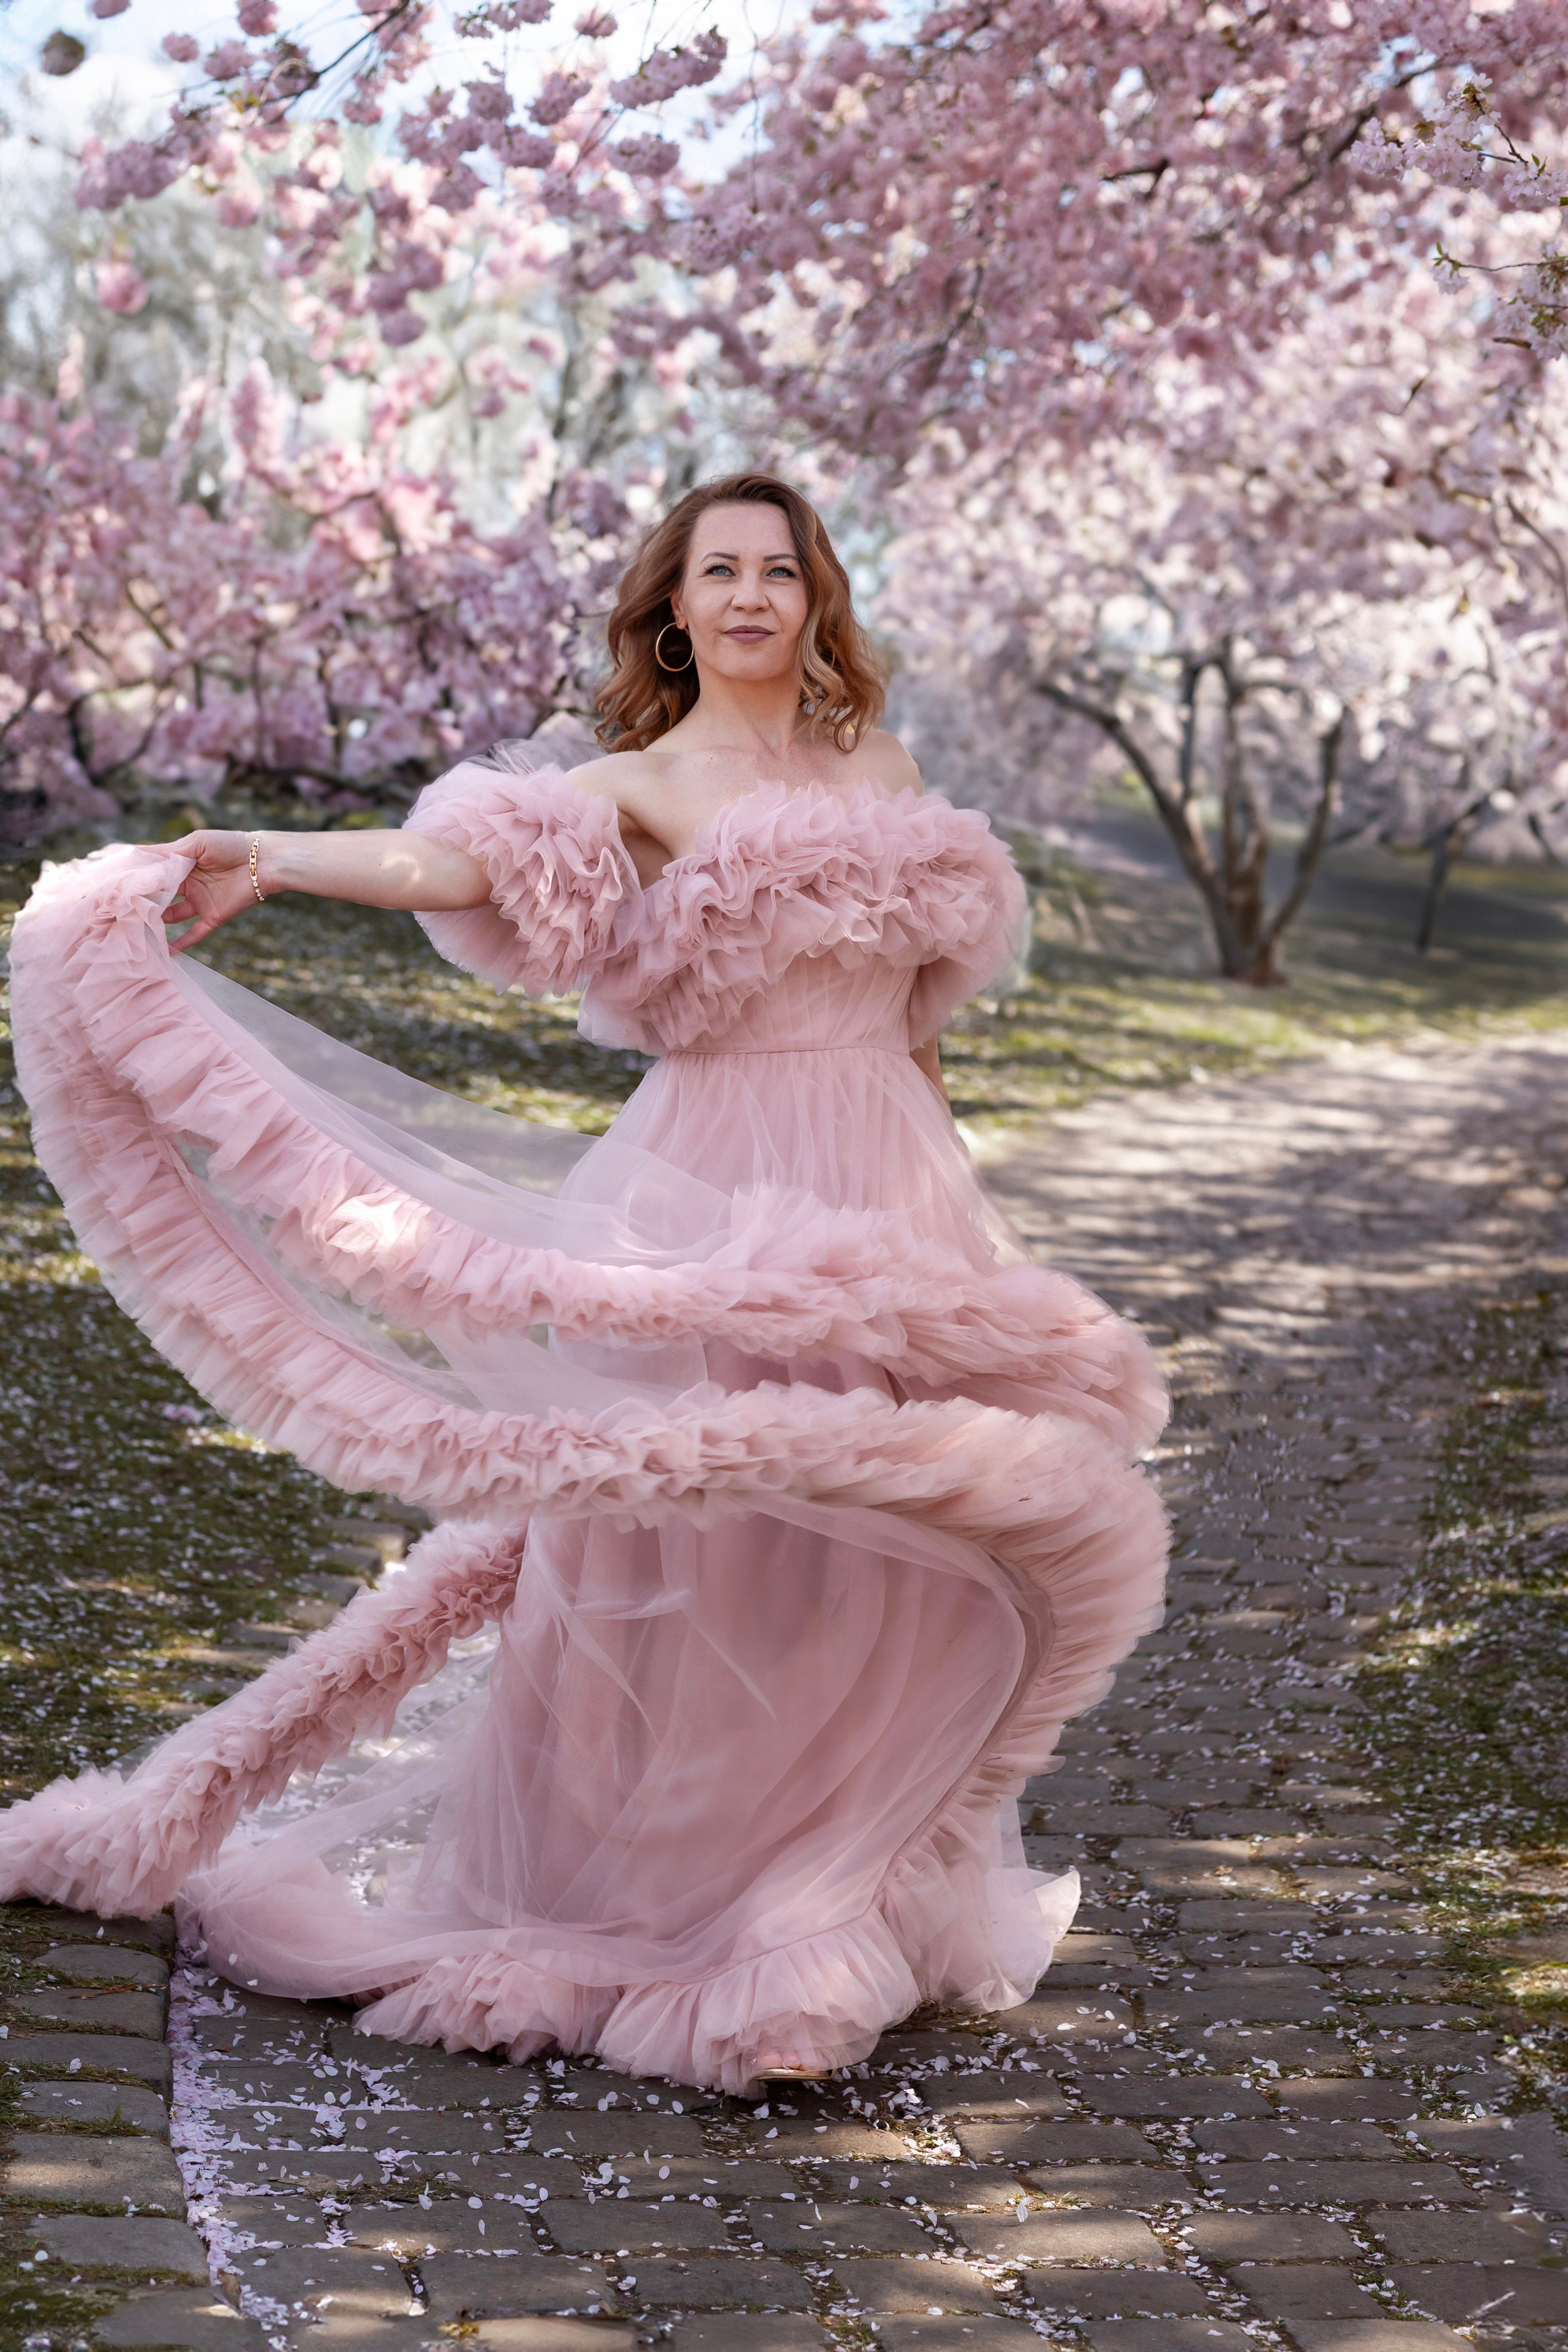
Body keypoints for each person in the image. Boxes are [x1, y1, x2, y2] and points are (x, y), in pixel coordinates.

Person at [0, 473, 1167, 2092]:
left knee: (881, 1559)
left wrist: (953, 1216)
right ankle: (661, 1899)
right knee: (680, 1540)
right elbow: (455, 871)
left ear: (817, 597)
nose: (752, 597)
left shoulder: (886, 768)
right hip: (712, 1188)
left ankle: (818, 1887)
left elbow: (917, 1029)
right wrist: (273, 856)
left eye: (779, 570)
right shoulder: (647, 778)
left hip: (889, 1182)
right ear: (673, 610)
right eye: (720, 575)